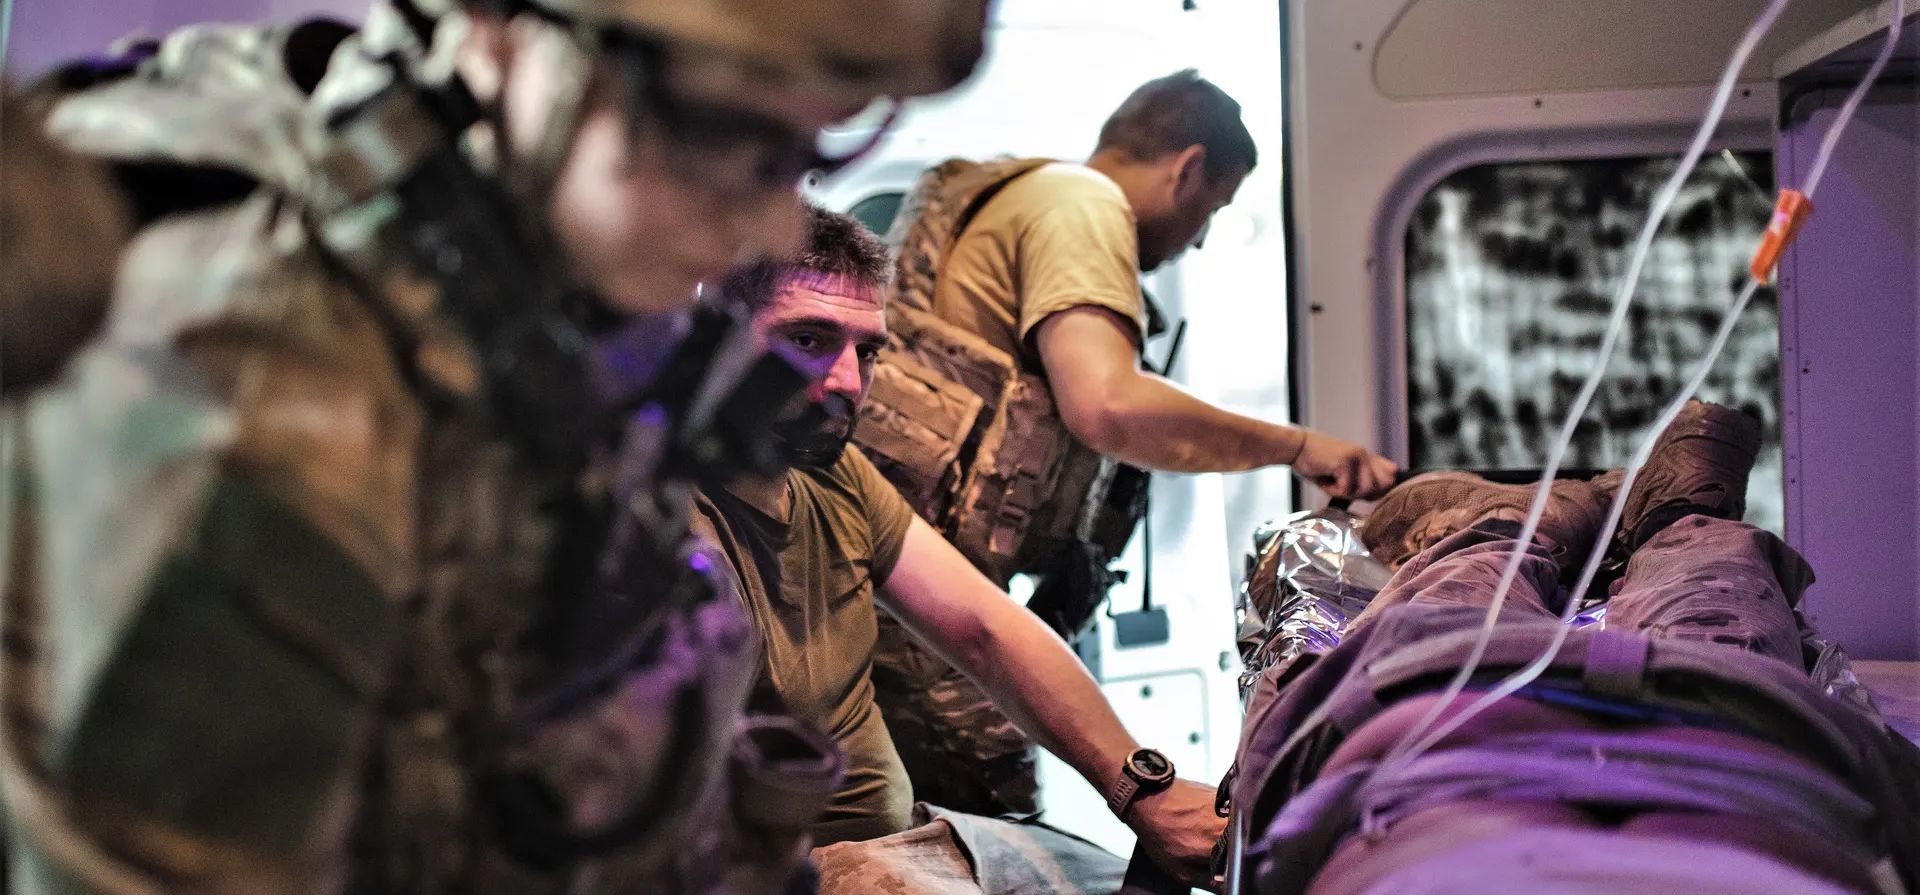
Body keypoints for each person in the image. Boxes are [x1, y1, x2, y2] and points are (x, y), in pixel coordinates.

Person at [0, 1, 987, 893]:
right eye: (729, 133)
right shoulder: (257, 386)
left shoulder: (518, 252)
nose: (771, 222)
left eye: (813, 149)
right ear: (501, 32)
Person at [854, 68, 1401, 818]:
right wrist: (1300, 446)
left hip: (901, 578)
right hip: (921, 600)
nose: (1202, 238)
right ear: (1191, 168)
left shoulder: (1022, 195)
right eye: (1216, 207)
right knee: (988, 809)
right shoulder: (1084, 205)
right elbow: (1107, 404)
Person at [692, 205, 1226, 893]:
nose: (850, 381)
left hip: (910, 843)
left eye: (868, 350)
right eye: (808, 338)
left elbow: (985, 628)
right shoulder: (668, 526)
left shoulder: (830, 474)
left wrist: (1141, 788)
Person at [1231, 401, 1920, 894]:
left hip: (1442, 740)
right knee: (1708, 603)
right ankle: (1665, 517)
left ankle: (1531, 522)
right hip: (1744, 755)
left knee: (1470, 598)